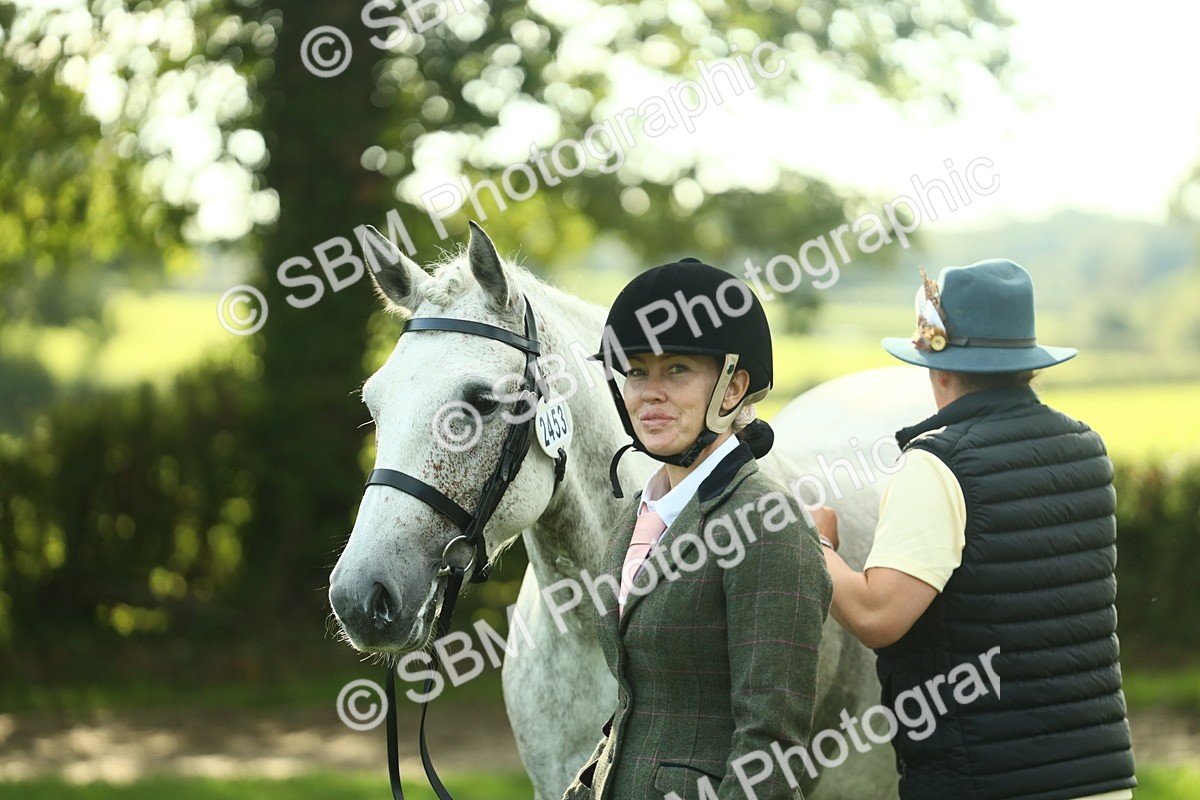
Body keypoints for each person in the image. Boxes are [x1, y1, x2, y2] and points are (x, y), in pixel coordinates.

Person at [812, 260, 1136, 799]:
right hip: (1099, 779)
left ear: (938, 368)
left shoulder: (937, 464)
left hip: (981, 782)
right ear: (1026, 364)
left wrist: (815, 544)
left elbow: (876, 616)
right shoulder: (1087, 449)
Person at [562, 258, 831, 800]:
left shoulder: (767, 527)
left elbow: (770, 747)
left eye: (677, 369)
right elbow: (640, 703)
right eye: (637, 371)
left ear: (733, 389)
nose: (649, 392)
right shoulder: (637, 514)